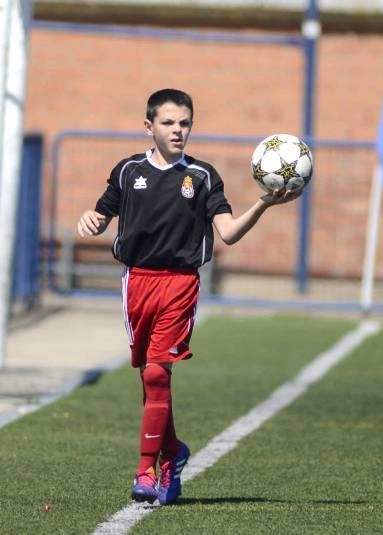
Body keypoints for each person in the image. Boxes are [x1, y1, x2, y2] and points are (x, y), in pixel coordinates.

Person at [77, 88, 301, 504]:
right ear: (149, 127)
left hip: (180, 284)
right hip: (135, 282)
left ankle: (146, 470)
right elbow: (101, 212)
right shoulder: (128, 171)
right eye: (168, 122)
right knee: (149, 377)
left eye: (184, 123)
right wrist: (90, 218)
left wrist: (263, 204)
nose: (178, 130)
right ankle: (174, 453)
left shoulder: (201, 177)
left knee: (159, 373)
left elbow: (228, 232)